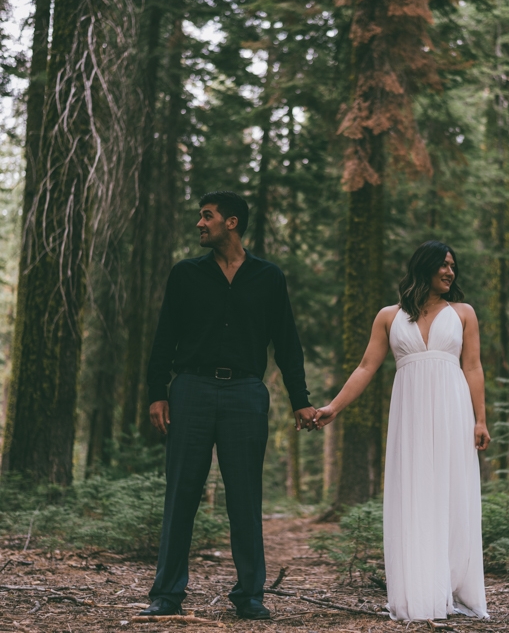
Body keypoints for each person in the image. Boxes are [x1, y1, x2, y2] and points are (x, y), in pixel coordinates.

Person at [141, 191, 316, 620]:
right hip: (192, 389)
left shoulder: (268, 277)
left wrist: (301, 401)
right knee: (181, 493)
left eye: (208, 216)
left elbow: (287, 343)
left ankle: (250, 596)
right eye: (201, 217)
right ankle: (166, 595)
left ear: (231, 223)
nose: (200, 224)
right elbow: (164, 337)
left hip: (245, 393)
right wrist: (157, 392)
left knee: (244, 496)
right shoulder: (186, 274)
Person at [315, 240, 491, 622]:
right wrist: (333, 407)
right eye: (443, 265)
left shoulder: (463, 313)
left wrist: (480, 419)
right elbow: (366, 366)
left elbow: (473, 366)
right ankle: (418, 592)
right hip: (409, 413)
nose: (450, 272)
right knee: (414, 492)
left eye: (453, 266)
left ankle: (453, 587)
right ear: (423, 267)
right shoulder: (388, 316)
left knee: (451, 492)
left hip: (452, 409)